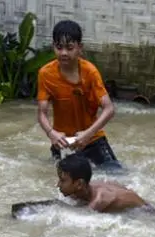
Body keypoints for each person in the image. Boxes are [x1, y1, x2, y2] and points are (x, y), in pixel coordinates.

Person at [36, 20, 121, 170]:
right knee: (65, 182)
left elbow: (109, 109)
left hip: (92, 138)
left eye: (69, 48)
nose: (64, 53)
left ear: (79, 48)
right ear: (53, 46)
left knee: (116, 176)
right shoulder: (45, 74)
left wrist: (87, 134)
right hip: (63, 141)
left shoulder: (90, 72)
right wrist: (51, 133)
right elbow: (42, 113)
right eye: (59, 47)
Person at [56, 154, 152, 213]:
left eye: (62, 180)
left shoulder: (99, 200)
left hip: (146, 212)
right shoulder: (80, 189)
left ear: (79, 184)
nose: (58, 184)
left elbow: (79, 218)